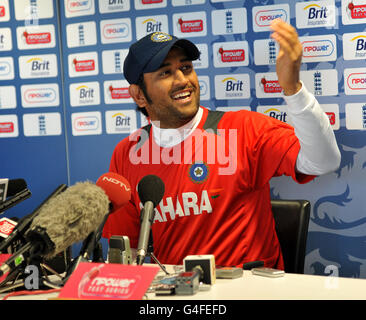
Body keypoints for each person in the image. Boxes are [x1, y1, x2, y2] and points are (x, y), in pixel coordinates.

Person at [102, 19, 341, 269]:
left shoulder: (243, 129)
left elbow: (323, 161)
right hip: (174, 293)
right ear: (139, 95)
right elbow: (124, 250)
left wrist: (293, 89)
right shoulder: (128, 152)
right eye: (165, 73)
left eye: (186, 67)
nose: (183, 80)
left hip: (249, 291)